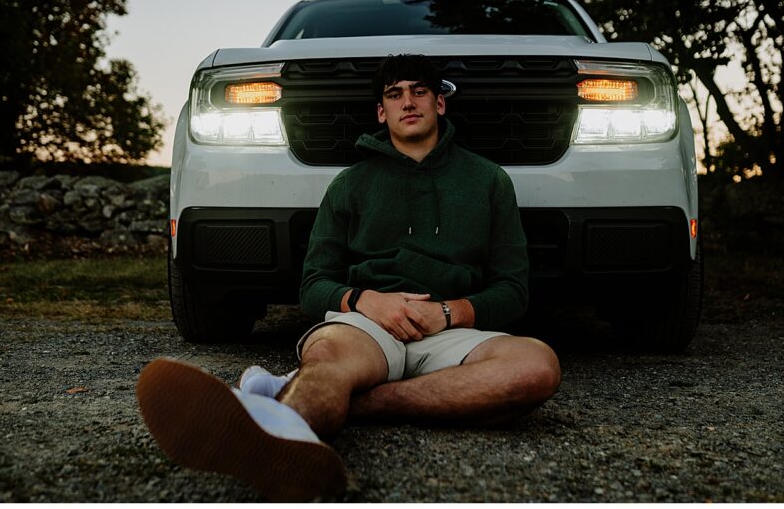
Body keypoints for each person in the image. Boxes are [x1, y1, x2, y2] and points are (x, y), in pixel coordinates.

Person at [137, 54, 561, 501]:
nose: (407, 102)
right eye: (394, 94)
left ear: (440, 104)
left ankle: (304, 400)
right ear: (382, 112)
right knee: (330, 366)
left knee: (536, 367)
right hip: (367, 327)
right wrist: (364, 301)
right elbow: (313, 285)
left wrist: (449, 313)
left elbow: (514, 290)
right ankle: (284, 442)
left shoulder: (489, 180)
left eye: (419, 91)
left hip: (451, 332)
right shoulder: (350, 184)